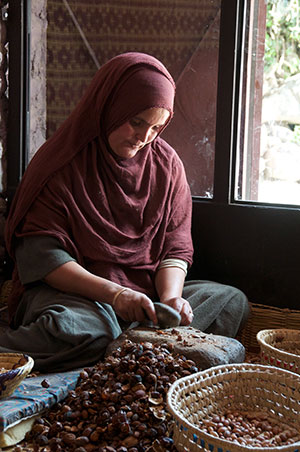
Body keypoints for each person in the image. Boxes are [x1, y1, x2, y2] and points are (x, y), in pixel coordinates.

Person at [1, 52, 249, 372]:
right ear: (111, 106)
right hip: (74, 295)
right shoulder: (61, 164)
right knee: (91, 330)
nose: (144, 137)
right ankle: (135, 347)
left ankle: (130, 346)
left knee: (230, 300)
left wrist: (171, 300)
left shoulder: (167, 165)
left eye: (157, 128)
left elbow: (175, 247)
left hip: (144, 297)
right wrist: (116, 296)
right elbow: (44, 259)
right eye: (136, 122)